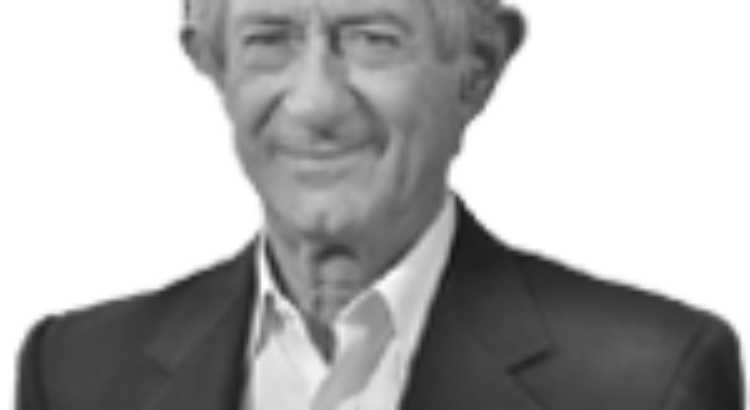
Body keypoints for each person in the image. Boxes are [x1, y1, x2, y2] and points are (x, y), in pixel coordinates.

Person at [17, 0, 741, 409]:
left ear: (478, 70)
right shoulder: (74, 373)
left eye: (372, 39)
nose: (316, 103)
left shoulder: (648, 383)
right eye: (269, 39)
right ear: (213, 64)